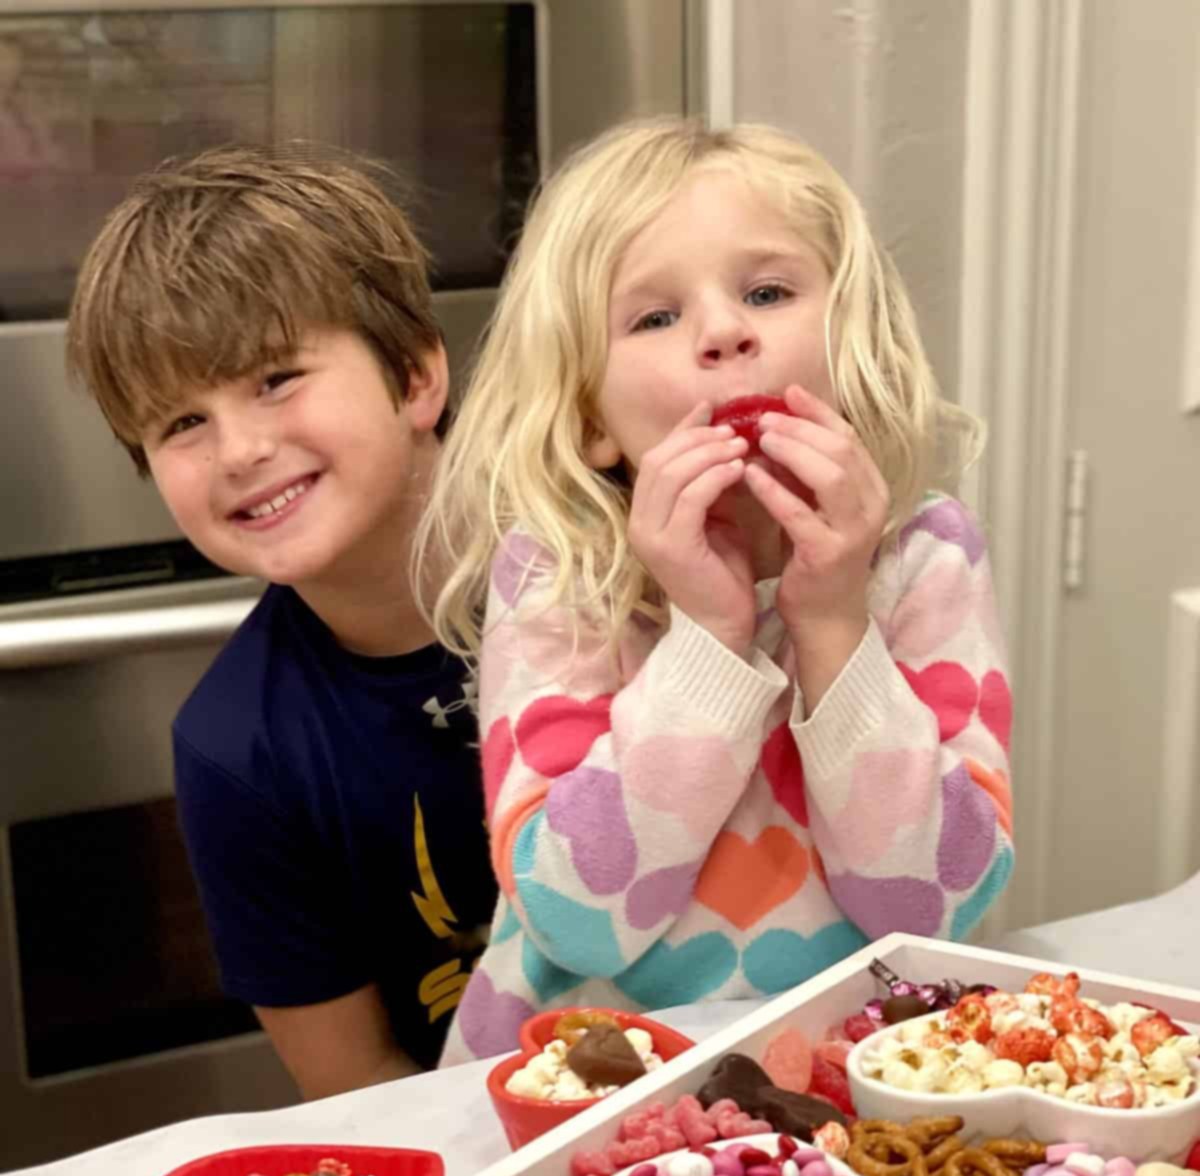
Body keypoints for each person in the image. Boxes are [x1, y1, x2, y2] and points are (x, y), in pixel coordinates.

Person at [420, 116, 1014, 1067]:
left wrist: (832, 623)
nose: (725, 332)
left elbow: (932, 909)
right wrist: (707, 635)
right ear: (592, 419)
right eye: (654, 317)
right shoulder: (559, 570)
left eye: (767, 292)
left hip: (842, 1094)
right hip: (575, 1097)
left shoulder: (925, 555)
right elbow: (579, 923)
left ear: (849, 347)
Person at [67, 145, 497, 1096]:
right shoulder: (236, 752)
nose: (241, 450)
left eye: (275, 378)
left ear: (418, 375)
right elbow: (361, 1089)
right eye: (181, 423)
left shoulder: (611, 557)